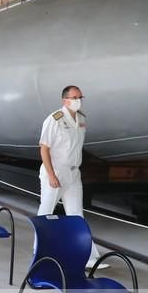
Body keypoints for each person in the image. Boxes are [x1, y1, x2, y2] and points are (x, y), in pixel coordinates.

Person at [38, 85, 107, 270]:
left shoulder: (81, 119)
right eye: (74, 97)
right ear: (65, 100)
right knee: (46, 213)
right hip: (56, 172)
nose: (78, 100)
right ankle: (39, 253)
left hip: (74, 173)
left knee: (77, 215)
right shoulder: (54, 119)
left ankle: (87, 257)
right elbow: (44, 148)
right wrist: (51, 175)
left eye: (80, 97)